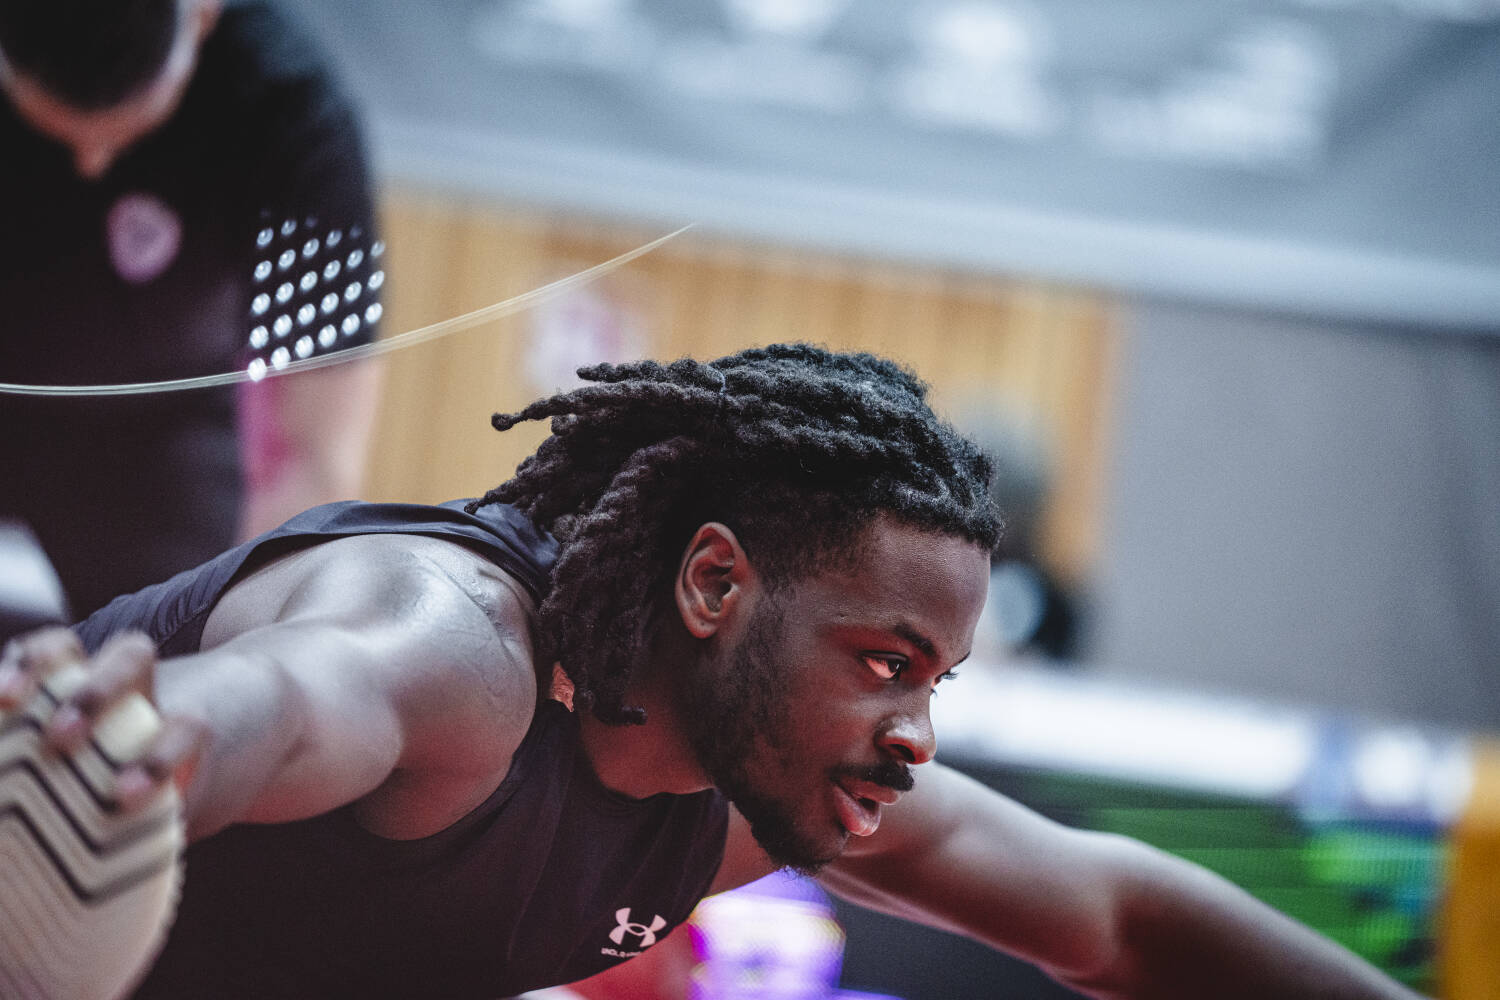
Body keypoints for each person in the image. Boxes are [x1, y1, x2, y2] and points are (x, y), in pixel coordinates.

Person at [0, 345, 1422, 999]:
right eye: (885, 662)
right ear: (716, 585)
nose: (916, 732)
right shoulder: (462, 654)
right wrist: (134, 737)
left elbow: (1116, 920)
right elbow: (295, 697)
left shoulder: (762, 783)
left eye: (933, 682)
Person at [0, 0, 383, 619]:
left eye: (124, 130)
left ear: (203, 15)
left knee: (183, 631)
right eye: (57, 129)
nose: (91, 164)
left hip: (159, 436)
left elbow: (318, 457)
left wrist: (230, 632)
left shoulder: (290, 113)